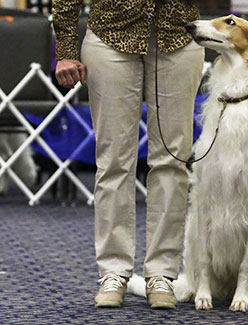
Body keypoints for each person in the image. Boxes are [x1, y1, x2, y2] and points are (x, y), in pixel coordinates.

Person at [52, 0, 204, 308]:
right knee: (113, 163)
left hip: (177, 38)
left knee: (172, 162)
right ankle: (113, 272)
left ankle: (162, 274)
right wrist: (66, 49)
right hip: (110, 37)